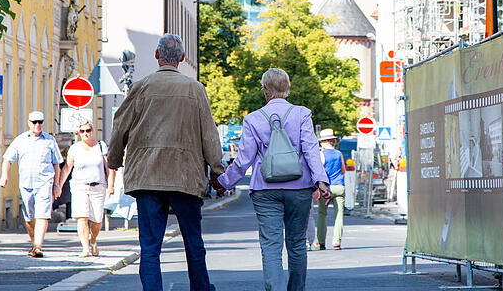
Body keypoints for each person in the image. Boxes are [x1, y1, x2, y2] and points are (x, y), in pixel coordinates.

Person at [107, 34, 225, 291]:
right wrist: (218, 172)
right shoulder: (195, 89)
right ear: (182, 58)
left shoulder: (141, 87)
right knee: (193, 242)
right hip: (186, 177)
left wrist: (114, 160)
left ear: (157, 56)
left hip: (147, 177)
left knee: (150, 247)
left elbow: (119, 127)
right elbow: (209, 134)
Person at [213, 68, 331, 291]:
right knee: (297, 244)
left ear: (264, 90)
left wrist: (224, 182)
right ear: (287, 89)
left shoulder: (253, 119)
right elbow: (311, 150)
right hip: (299, 187)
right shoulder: (302, 114)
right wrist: (321, 180)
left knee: (271, 245)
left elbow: (244, 159)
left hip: (265, 189)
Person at [0, 111, 63, 258]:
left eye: (40, 122)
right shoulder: (20, 140)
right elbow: (7, 159)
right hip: (26, 184)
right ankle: (34, 243)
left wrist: (56, 184)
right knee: (29, 218)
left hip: (44, 183)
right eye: (34, 122)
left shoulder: (49, 140)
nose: (37, 125)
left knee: (43, 215)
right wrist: (4, 175)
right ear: (29, 123)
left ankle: (38, 246)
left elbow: (56, 164)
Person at [58, 120, 114, 257]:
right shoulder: (74, 148)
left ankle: (93, 241)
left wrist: (111, 185)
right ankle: (85, 248)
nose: (85, 134)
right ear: (78, 133)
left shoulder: (101, 146)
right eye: (82, 131)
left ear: (92, 131)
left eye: (88, 130)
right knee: (82, 217)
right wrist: (58, 186)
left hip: (98, 187)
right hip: (79, 187)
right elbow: (66, 168)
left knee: (97, 220)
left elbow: (109, 168)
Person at [316, 128, 346, 250]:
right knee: (339, 215)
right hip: (339, 186)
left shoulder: (321, 154)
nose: (320, 144)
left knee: (322, 213)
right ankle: (336, 242)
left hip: (326, 188)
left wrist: (318, 188)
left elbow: (319, 172)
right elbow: (343, 170)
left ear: (325, 142)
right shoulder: (339, 154)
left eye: (321, 142)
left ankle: (321, 241)